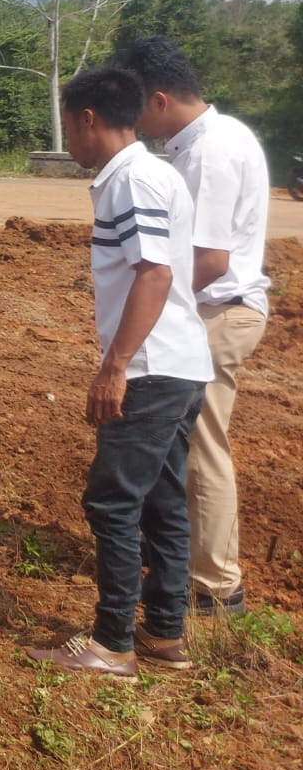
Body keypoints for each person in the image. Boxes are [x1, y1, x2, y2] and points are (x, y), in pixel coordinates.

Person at [25, 65, 212, 678]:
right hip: (180, 363)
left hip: (153, 370)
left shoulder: (132, 181)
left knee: (111, 503)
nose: (70, 140)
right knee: (162, 501)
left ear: (87, 120)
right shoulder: (148, 174)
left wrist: (116, 366)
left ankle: (112, 644)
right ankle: (164, 633)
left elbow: (153, 273)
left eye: (67, 125)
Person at [114, 35, 269, 617]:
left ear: (157, 99)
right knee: (183, 443)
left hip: (217, 311)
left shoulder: (210, 152)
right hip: (209, 309)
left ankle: (215, 583)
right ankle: (182, 558)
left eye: (133, 107)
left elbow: (209, 259)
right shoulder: (201, 143)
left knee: (201, 447)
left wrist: (150, 314)